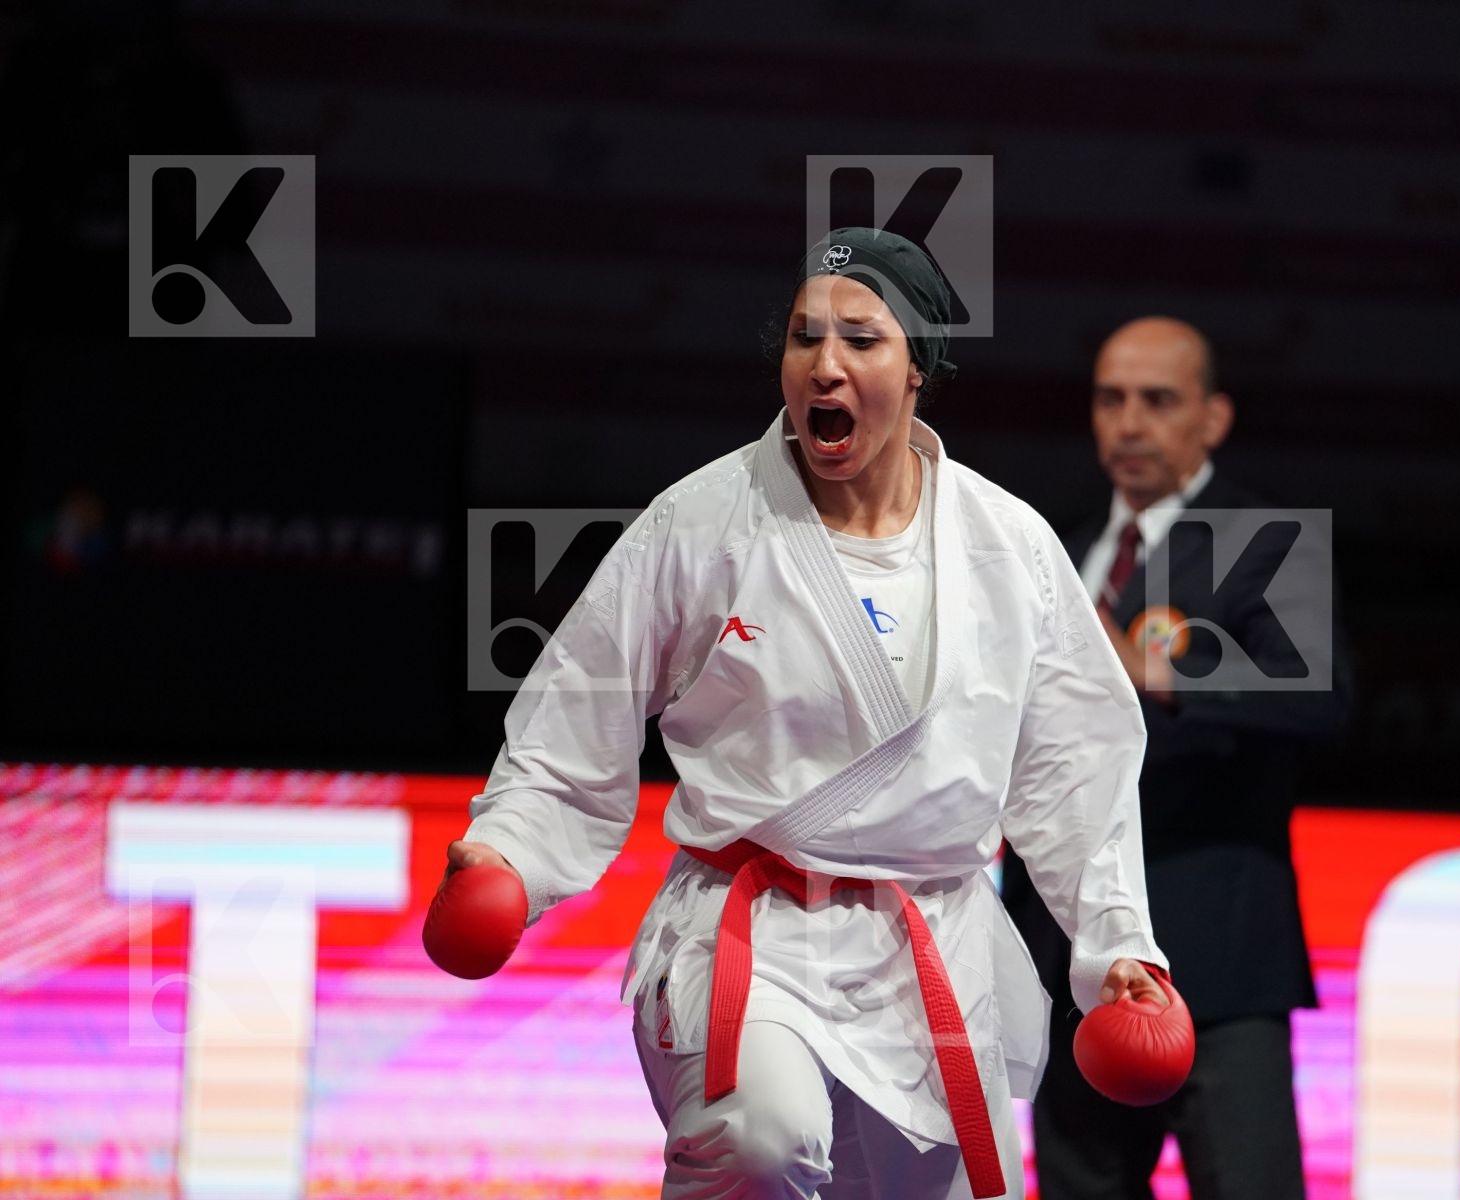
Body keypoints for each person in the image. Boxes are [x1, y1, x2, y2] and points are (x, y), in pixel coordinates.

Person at [441, 228, 1172, 1200]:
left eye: (862, 340)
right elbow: (576, 720)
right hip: (748, 932)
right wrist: (507, 856)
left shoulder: (1010, 546)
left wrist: (1119, 946)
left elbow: (1076, 769)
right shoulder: (704, 521)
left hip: (931, 947)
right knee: (761, 1142)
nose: (824, 366)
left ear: (919, 371)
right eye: (802, 338)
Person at [1002, 318, 1352, 1200]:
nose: (1128, 422)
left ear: (1213, 416)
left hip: (1218, 959)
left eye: (1157, 400)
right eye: (1110, 399)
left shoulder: (1268, 537)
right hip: (1072, 963)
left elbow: (1326, 694)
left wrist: (1166, 671)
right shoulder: (1058, 550)